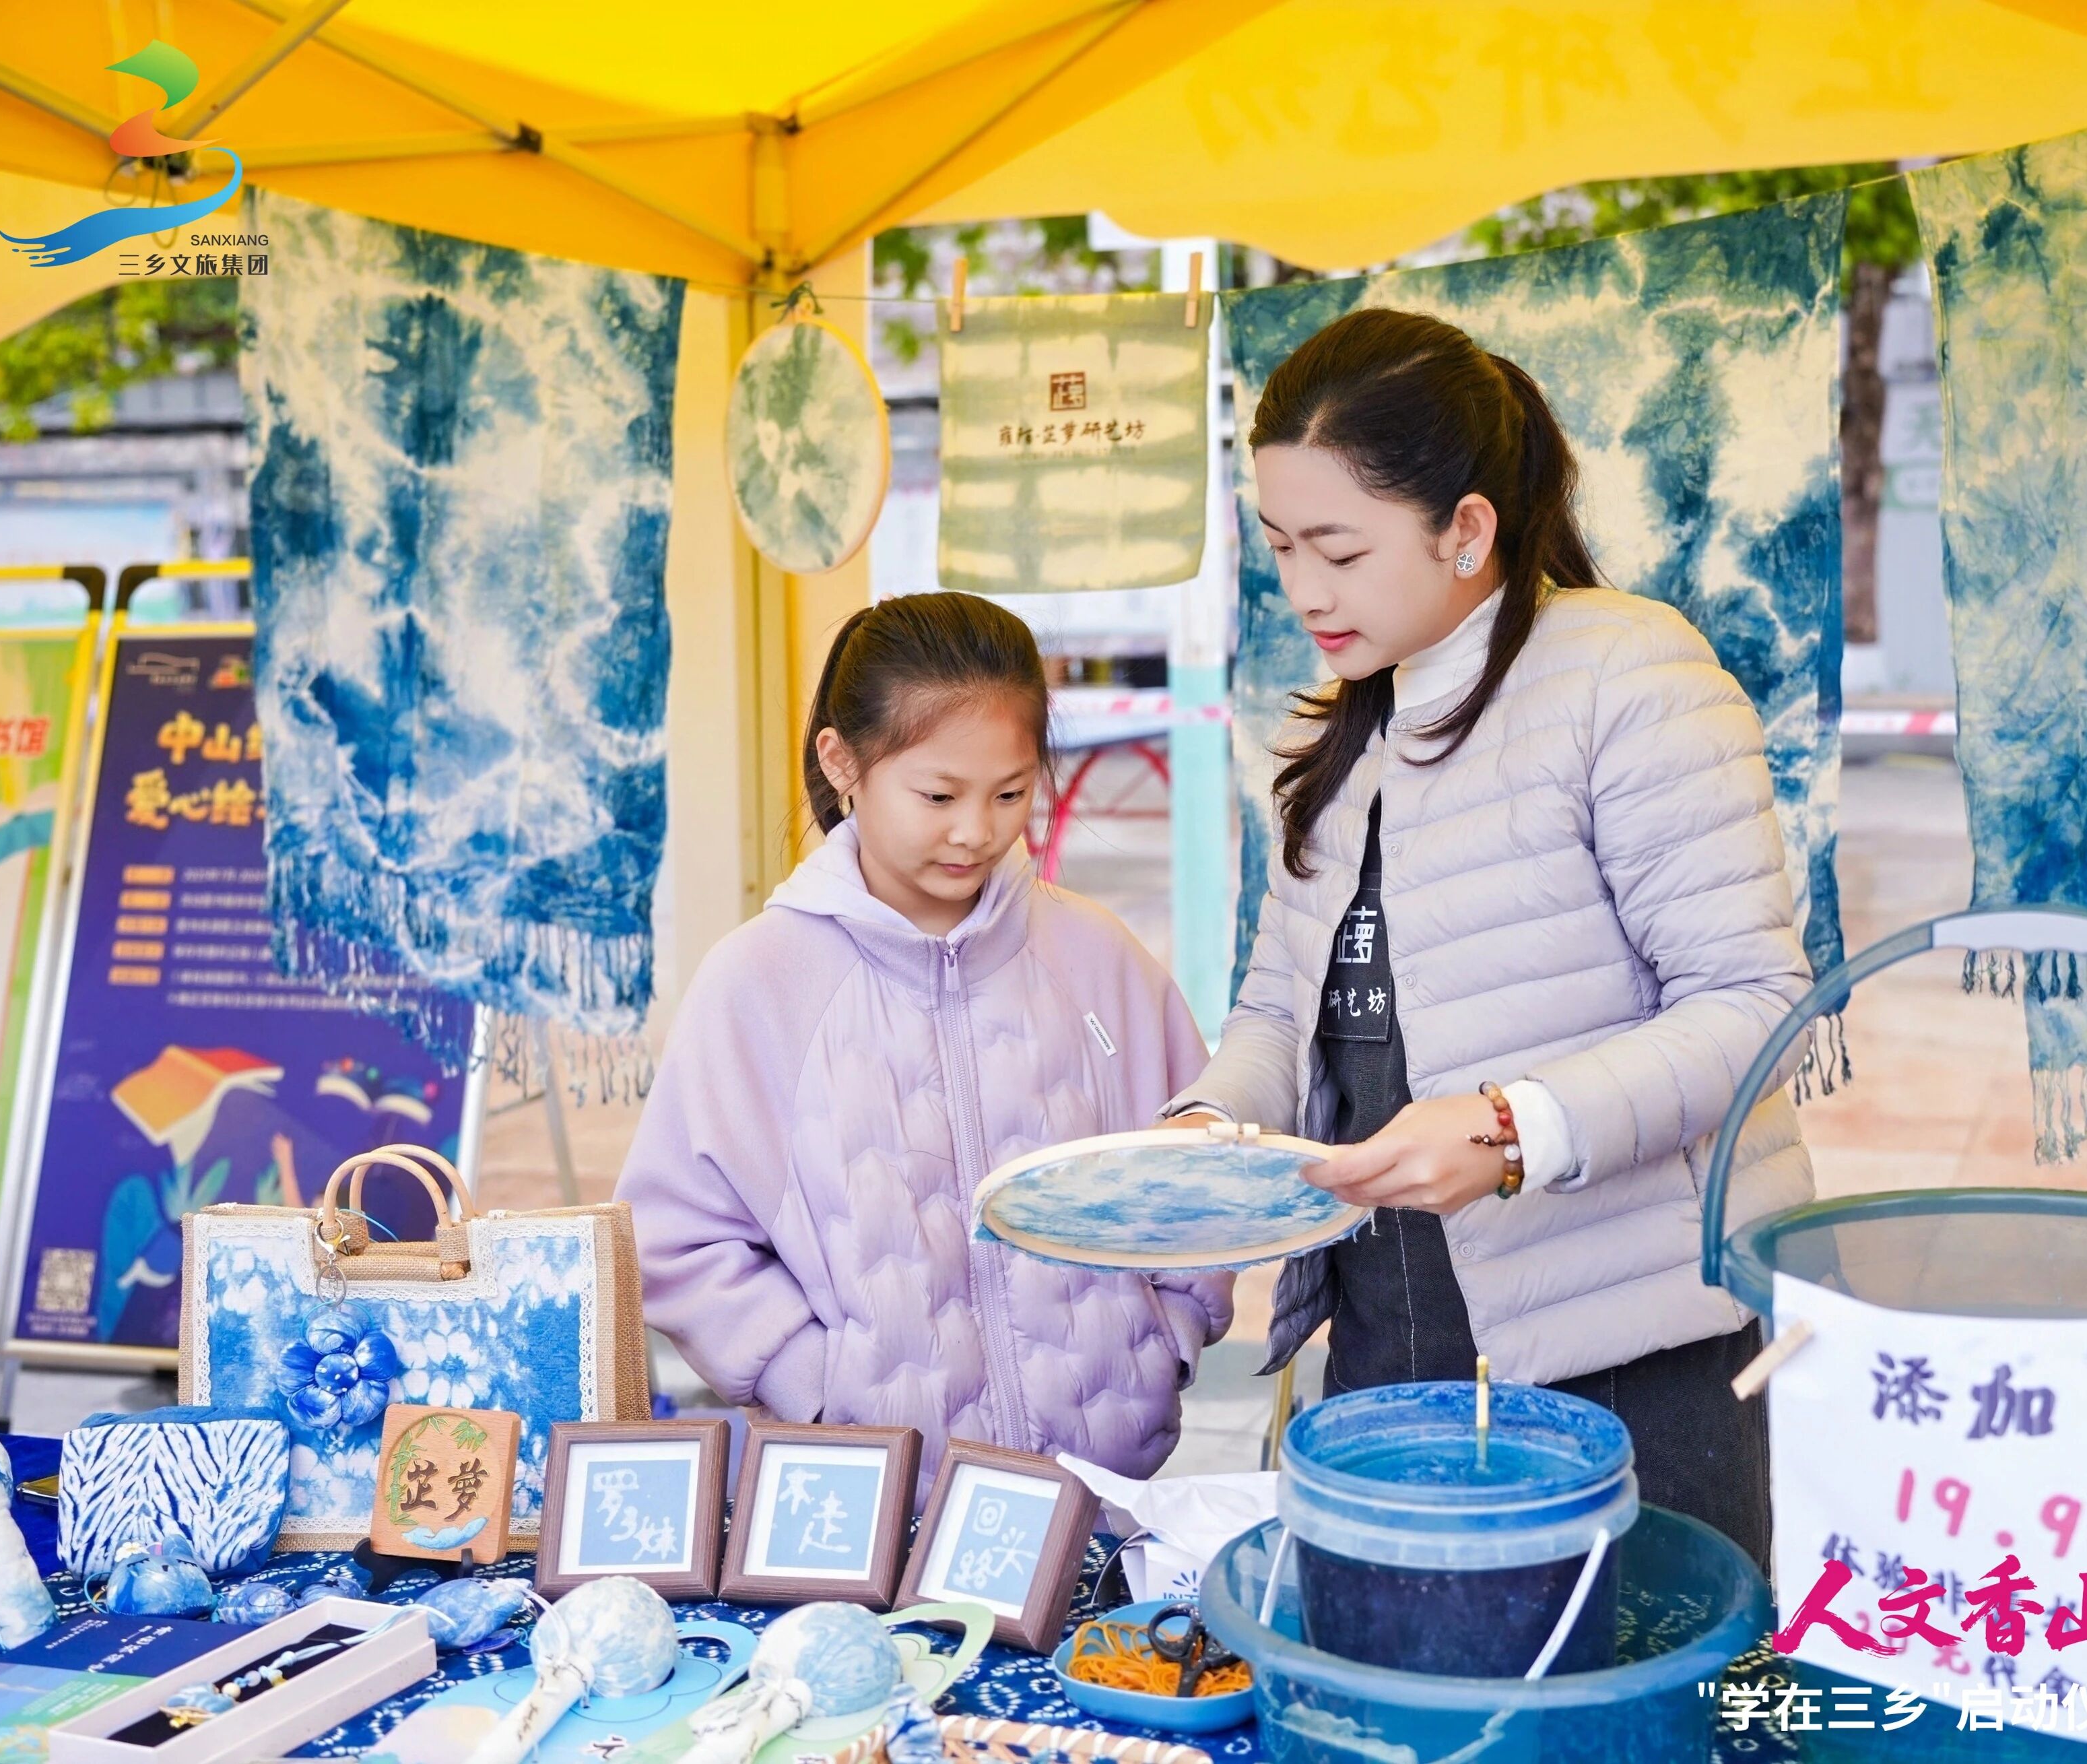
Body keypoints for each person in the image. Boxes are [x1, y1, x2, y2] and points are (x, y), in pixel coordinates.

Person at [1170, 308, 1812, 1559]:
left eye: (1339, 551)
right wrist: (1207, 1131)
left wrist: (1513, 1130)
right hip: (1390, 1340)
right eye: (1282, 546)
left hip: (1627, 1353)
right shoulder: (1335, 724)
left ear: (1466, 530)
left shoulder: (1630, 677)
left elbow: (1755, 1008)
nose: (1304, 590)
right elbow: (1280, 1012)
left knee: (1637, 1674)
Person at [620, 591, 1232, 1492]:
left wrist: (1167, 1335)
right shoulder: (758, 981)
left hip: (1102, 1491)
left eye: (1010, 793)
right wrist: (815, 1390)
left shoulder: (1095, 955)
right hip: (873, 1507)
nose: (975, 831)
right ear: (843, 762)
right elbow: (675, 1234)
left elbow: (1196, 1166)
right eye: (938, 795)